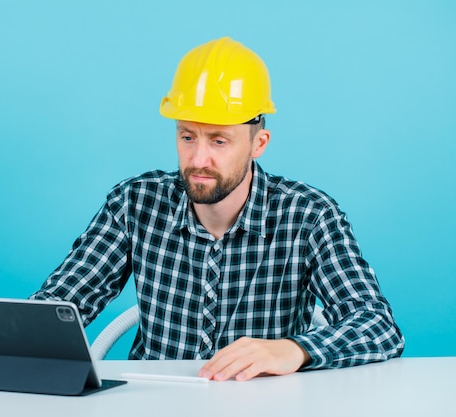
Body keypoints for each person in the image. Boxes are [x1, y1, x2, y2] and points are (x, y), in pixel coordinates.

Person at [31, 37, 405, 381]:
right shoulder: (135, 203)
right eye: (187, 136)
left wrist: (295, 349)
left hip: (263, 402)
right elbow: (53, 311)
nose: (198, 159)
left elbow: (377, 325)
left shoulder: (308, 215)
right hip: (154, 399)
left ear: (259, 143)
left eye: (219, 140)